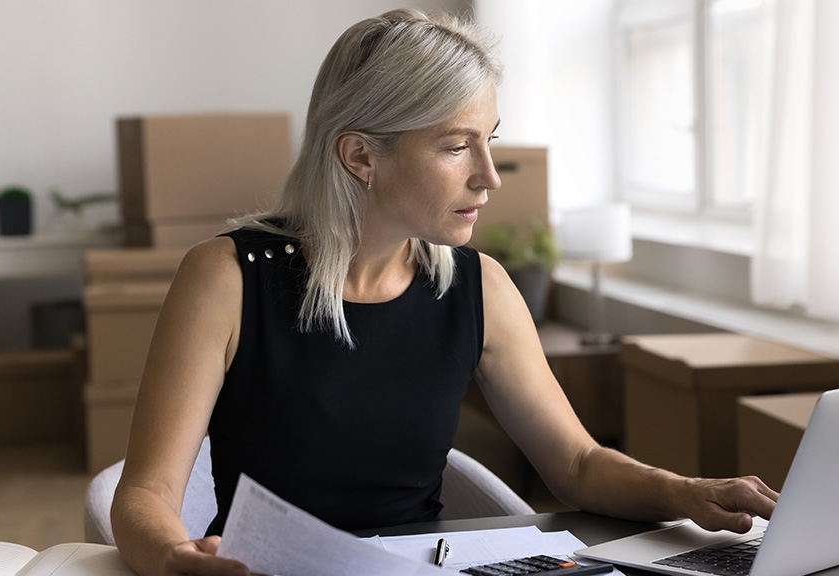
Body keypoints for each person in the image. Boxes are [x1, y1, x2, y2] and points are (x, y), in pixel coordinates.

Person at [110, 8, 778, 576]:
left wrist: (688, 491)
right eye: (457, 146)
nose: (488, 177)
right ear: (361, 157)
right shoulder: (227, 277)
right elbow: (144, 493)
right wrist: (177, 558)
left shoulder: (478, 287)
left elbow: (575, 464)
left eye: (489, 142)